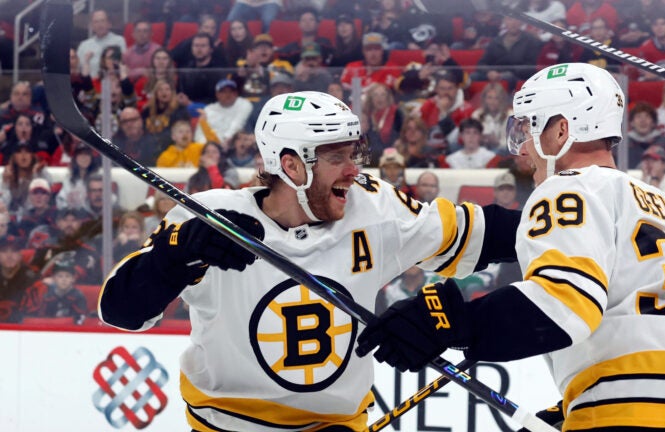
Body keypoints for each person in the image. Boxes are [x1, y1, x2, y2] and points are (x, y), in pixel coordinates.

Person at [356, 62, 665, 431]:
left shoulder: (566, 188)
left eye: (530, 130)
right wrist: (576, 399)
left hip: (636, 411)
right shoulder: (660, 202)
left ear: (561, 130)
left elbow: (564, 305)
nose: (526, 151)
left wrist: (448, 321)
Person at [98, 90, 522, 431]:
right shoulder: (209, 219)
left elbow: (483, 233)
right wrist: (176, 256)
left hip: (336, 426)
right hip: (228, 424)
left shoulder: (372, 206)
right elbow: (120, 312)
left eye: (354, 155)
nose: (353, 171)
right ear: (292, 166)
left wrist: (560, 231)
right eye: (337, 158)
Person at [193, 79, 253, 148]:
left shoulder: (244, 104)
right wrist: (209, 147)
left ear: (236, 93)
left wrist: (224, 142)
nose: (228, 94)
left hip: (232, 146)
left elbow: (237, 125)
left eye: (231, 91)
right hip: (210, 148)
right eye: (224, 92)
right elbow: (199, 135)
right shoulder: (208, 109)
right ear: (217, 94)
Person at [0, 235, 43, 323]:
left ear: (21, 254)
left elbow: (32, 313)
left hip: (20, 328)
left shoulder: (32, 277)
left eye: (14, 251)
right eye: (4, 251)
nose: (9, 256)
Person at [76, 10, 127, 78]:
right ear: (91, 25)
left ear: (109, 23)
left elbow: (124, 65)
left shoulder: (119, 41)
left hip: (113, 84)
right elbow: (77, 68)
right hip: (90, 85)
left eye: (102, 21)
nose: (100, 25)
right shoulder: (84, 45)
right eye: (96, 22)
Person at [37, 258, 87, 324]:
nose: (64, 280)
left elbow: (81, 320)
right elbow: (42, 320)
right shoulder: (47, 297)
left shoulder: (78, 297)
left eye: (67, 276)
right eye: (60, 276)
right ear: (54, 279)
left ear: (73, 279)